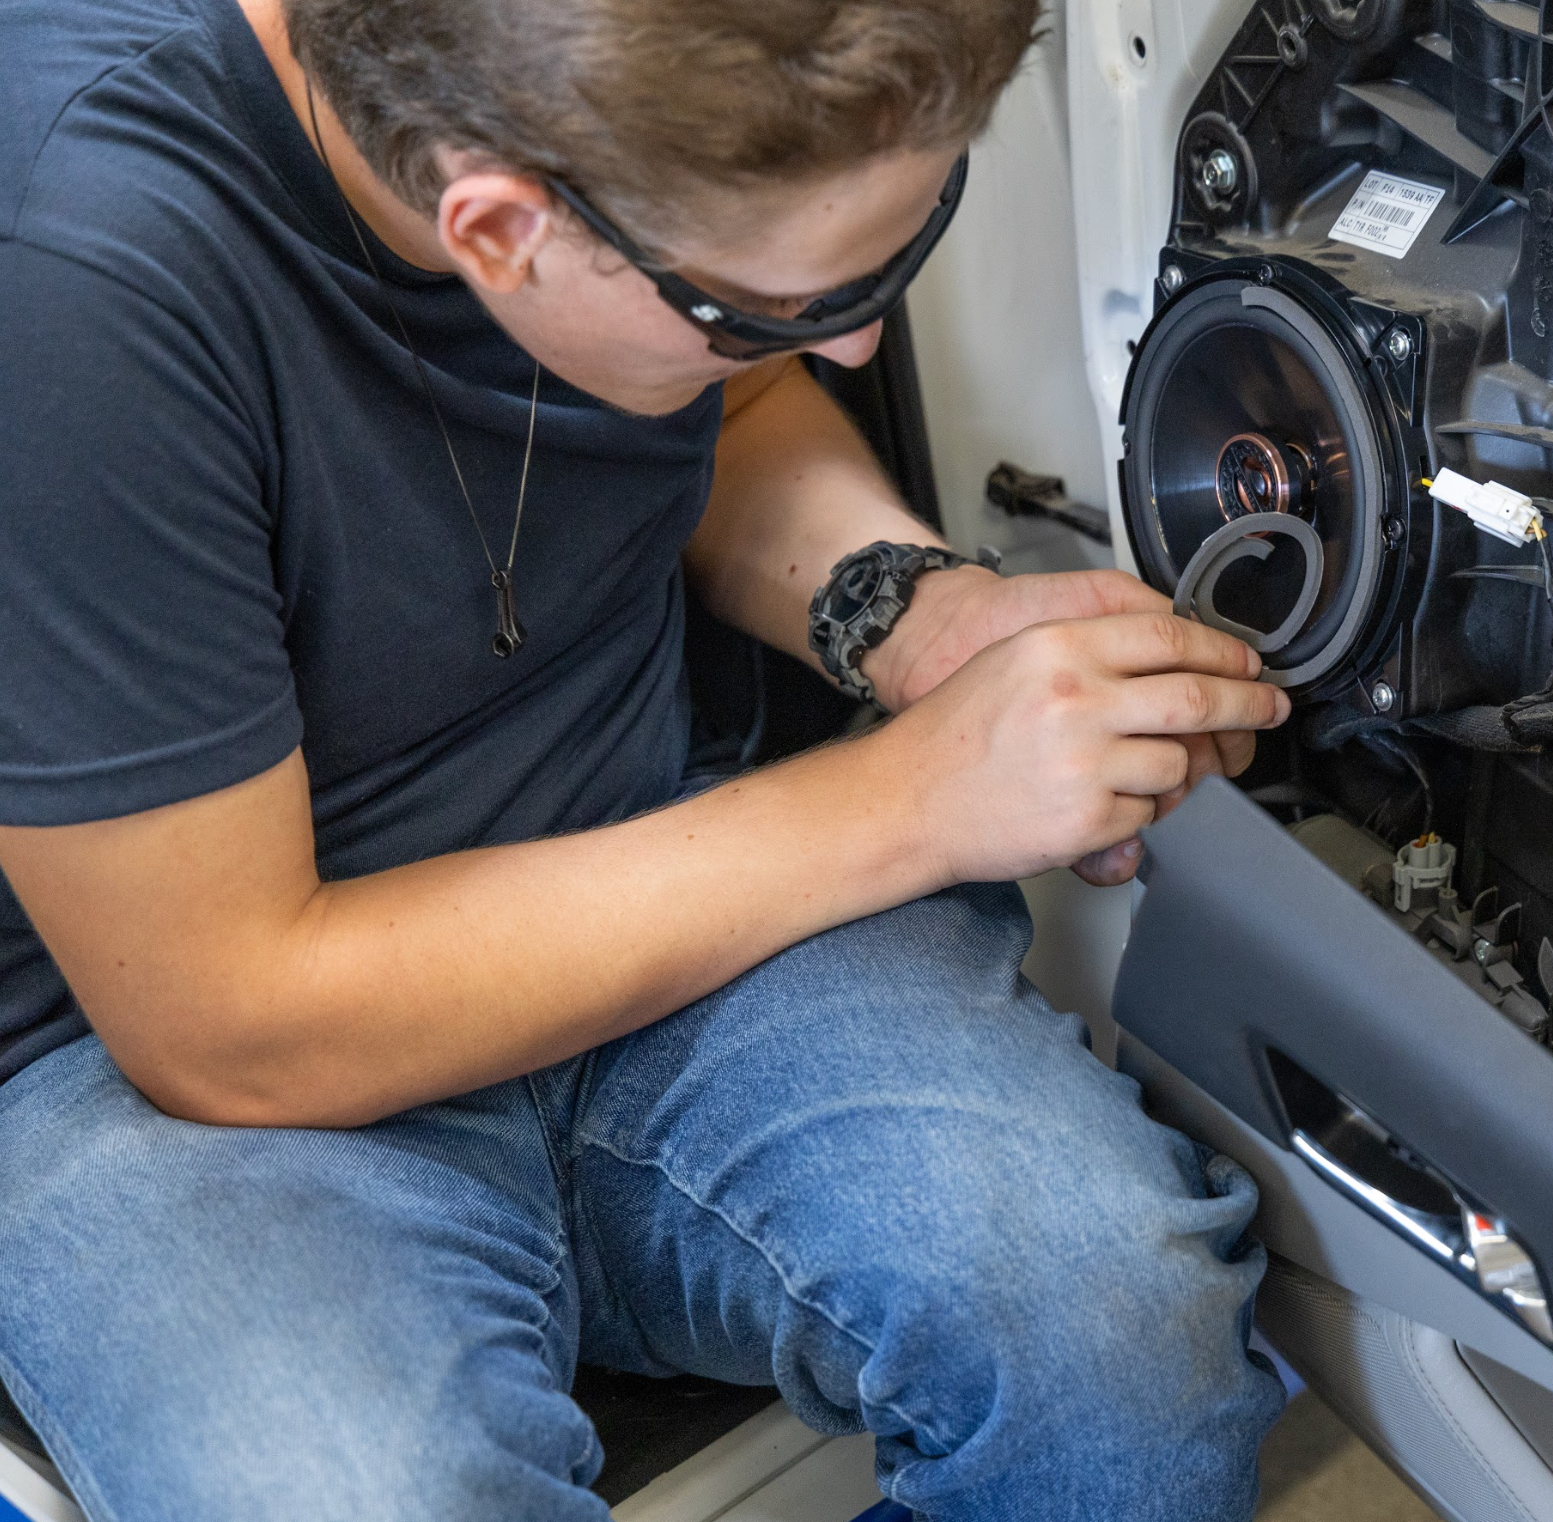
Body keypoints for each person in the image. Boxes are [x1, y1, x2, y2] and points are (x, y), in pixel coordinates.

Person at [0, 0, 1292, 1516]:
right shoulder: (76, 267)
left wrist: (912, 616)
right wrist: (913, 793)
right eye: (774, 299)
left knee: (1125, 1359)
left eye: (896, 245)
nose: (856, 337)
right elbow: (231, 1021)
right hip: (189, 1070)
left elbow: (722, 394)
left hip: (648, 865)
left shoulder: (586, 154)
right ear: (496, 232)